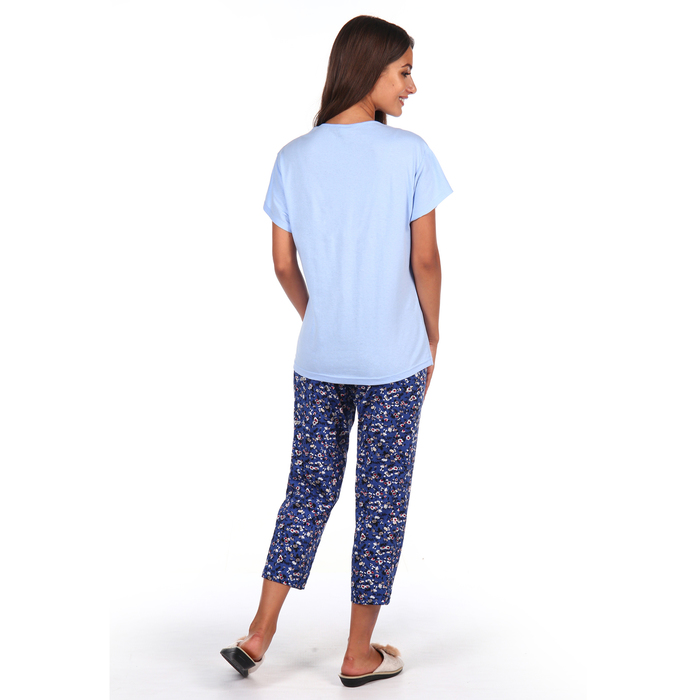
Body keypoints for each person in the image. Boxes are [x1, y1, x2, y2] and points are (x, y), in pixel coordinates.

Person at [220, 14, 453, 687]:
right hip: (393, 361)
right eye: (404, 71)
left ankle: (259, 633)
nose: (412, 86)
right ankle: (357, 654)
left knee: (307, 489)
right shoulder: (410, 154)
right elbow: (426, 260)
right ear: (369, 69)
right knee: (381, 502)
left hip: (319, 358)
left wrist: (318, 317)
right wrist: (432, 335)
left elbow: (281, 263)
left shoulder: (292, 157)